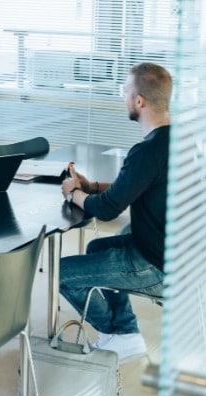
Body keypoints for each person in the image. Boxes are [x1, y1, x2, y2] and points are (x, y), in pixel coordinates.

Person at [60, 62, 172, 362]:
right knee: (98, 246)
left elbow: (107, 210)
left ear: (139, 101)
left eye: (125, 91)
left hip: (156, 266)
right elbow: (141, 185)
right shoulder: (175, 141)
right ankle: (125, 331)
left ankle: (116, 334)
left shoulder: (147, 150)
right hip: (178, 257)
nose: (122, 97)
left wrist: (75, 193)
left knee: (61, 274)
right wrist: (93, 185)